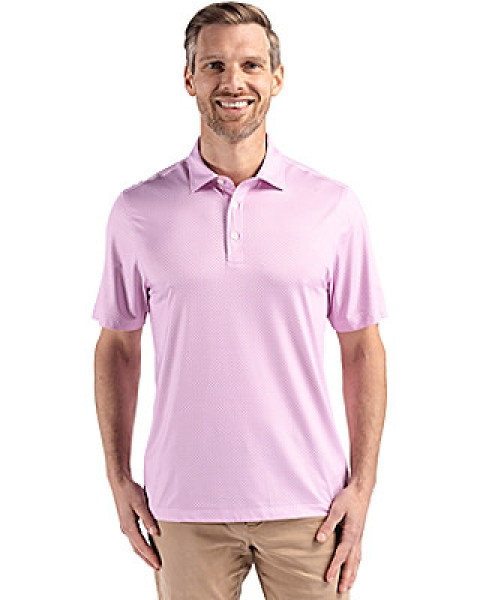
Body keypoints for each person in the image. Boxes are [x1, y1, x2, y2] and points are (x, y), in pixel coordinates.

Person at [92, 2, 388, 598]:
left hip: (311, 504)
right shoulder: (138, 210)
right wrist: (118, 478)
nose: (233, 81)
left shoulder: (333, 207)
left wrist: (363, 487)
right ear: (190, 79)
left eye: (251, 65)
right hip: (182, 507)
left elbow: (362, 348)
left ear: (276, 78)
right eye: (215, 65)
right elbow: (117, 348)